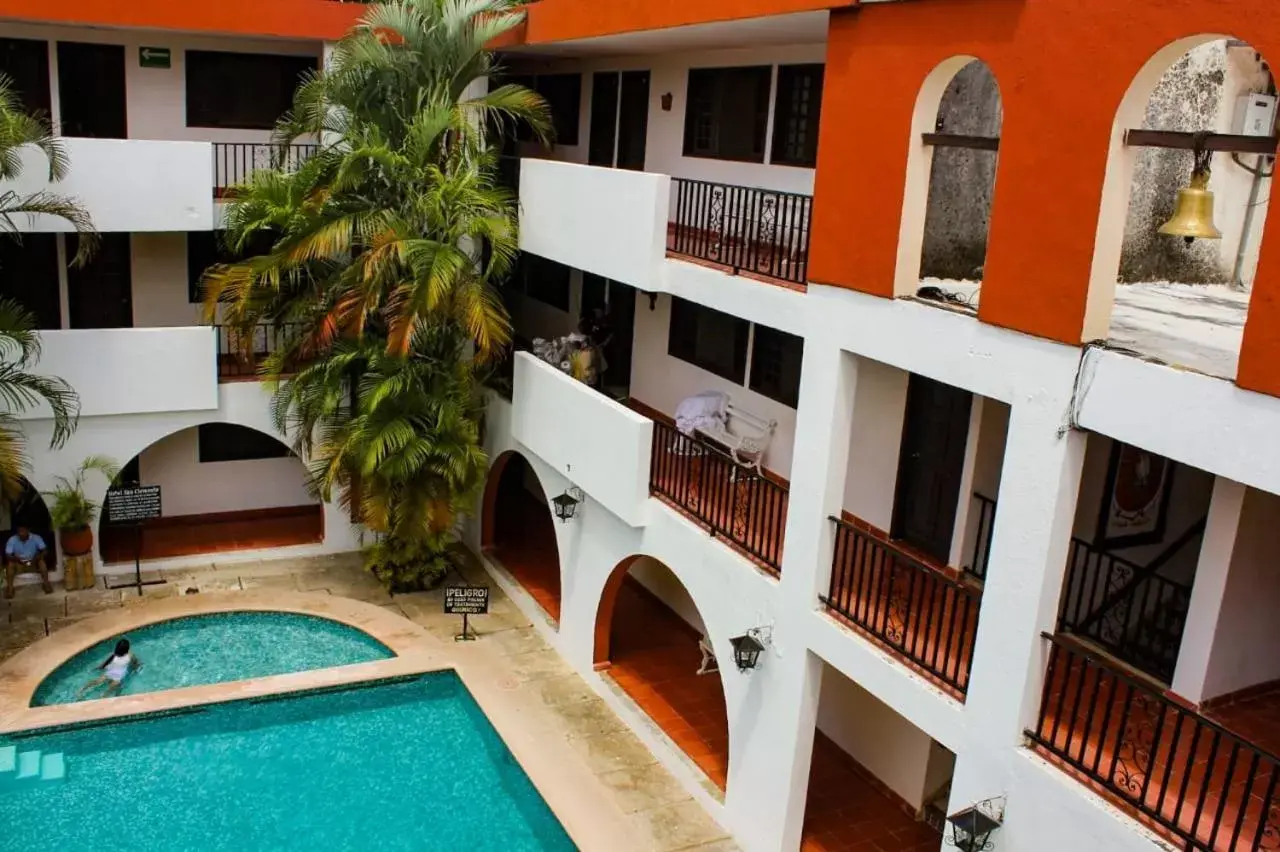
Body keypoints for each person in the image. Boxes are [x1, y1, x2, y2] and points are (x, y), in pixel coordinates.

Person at [77, 639, 142, 699]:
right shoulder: (130, 655)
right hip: (118, 673)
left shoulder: (116, 654)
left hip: (112, 670)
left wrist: (100, 667)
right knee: (115, 684)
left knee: (99, 680)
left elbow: (107, 661)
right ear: (127, 649)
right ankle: (104, 695)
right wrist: (137, 668)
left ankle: (82, 689)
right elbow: (135, 662)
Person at [4, 523, 50, 598]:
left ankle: (46, 584)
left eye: (23, 531)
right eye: (19, 531)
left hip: (33, 562)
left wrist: (37, 557)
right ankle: (10, 589)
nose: (21, 533)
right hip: (19, 563)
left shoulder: (36, 538)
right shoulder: (12, 539)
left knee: (42, 562)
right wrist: (16, 559)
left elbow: (45, 551)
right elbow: (7, 555)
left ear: (28, 530)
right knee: (10, 565)